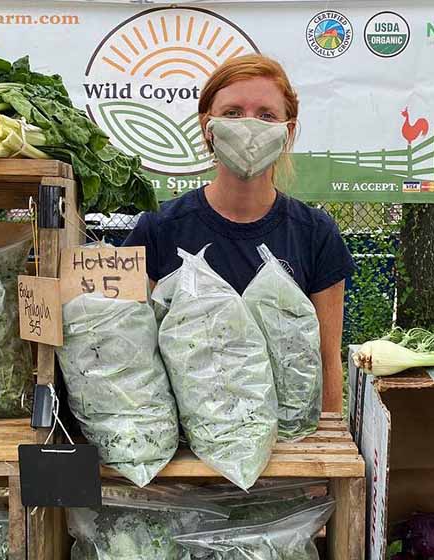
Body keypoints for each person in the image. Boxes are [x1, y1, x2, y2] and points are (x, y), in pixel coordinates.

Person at [124, 54, 355, 412]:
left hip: (288, 440)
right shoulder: (158, 229)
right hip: (190, 444)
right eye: (232, 113)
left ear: (287, 131)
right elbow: (132, 353)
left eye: (266, 115)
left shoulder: (315, 234)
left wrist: (326, 444)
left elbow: (326, 361)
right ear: (208, 126)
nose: (249, 126)